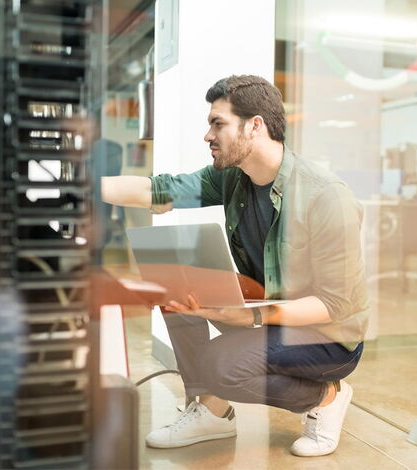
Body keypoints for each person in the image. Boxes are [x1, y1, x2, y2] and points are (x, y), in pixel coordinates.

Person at [101, 75, 369, 457]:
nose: (208, 135)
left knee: (221, 364)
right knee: (176, 286)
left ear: (255, 125)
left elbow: (335, 305)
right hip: (268, 310)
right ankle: (213, 412)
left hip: (326, 335)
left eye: (218, 123)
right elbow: (157, 190)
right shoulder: (232, 178)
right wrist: (79, 187)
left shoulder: (326, 197)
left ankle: (325, 395)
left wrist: (251, 318)